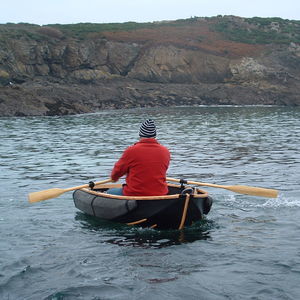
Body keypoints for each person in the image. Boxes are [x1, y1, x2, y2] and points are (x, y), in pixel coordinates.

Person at [108, 119, 170, 196]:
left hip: (135, 193)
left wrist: (114, 178)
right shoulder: (165, 151)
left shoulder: (131, 151)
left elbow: (118, 170)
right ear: (154, 136)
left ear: (140, 135)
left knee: (110, 192)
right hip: (160, 193)